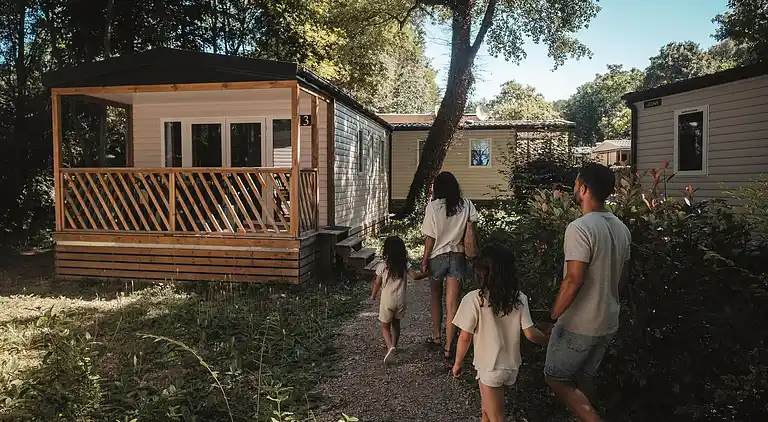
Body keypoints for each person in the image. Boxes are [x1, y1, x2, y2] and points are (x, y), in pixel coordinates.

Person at [543, 163, 631, 422]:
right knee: (584, 377)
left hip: (580, 323)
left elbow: (573, 279)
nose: (574, 188)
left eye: (576, 183)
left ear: (583, 189)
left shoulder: (580, 228)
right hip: (608, 320)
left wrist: (552, 317)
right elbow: (622, 280)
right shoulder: (621, 228)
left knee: (556, 377)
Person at [452, 243, 551, 422]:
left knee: (497, 417)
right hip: (510, 365)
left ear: (482, 272)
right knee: (486, 412)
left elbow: (465, 337)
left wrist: (457, 362)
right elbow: (530, 334)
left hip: (490, 367)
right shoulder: (519, 298)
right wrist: (548, 339)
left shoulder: (474, 299)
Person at [420, 171, 478, 360]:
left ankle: (437, 336)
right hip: (458, 257)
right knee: (452, 304)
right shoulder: (467, 205)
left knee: (436, 296)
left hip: (437, 257)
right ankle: (448, 347)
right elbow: (472, 229)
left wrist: (424, 260)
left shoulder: (433, 207)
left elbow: (430, 237)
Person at [369, 235, 428, 365]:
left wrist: (373, 296)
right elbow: (415, 276)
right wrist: (427, 273)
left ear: (386, 250)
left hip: (387, 300)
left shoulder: (383, 265)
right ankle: (395, 345)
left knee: (385, 327)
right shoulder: (405, 264)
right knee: (396, 324)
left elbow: (377, 283)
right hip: (400, 300)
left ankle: (390, 347)